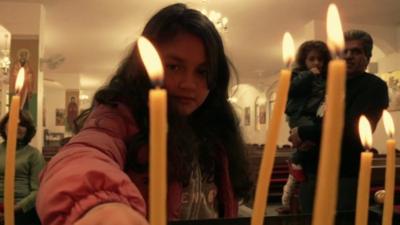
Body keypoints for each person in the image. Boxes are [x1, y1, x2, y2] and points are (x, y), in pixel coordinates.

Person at [36, 3, 252, 225]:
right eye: (174, 67)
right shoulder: (118, 117)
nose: (189, 84)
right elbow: (84, 154)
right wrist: (100, 207)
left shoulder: (216, 128)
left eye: (202, 72)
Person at [289, 30, 389, 213]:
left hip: (345, 175)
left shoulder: (373, 86)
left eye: (356, 52)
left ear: (367, 57)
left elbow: (352, 129)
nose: (349, 56)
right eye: (345, 51)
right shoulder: (329, 82)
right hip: (312, 170)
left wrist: (304, 132)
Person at [279, 40, 331, 213]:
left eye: (320, 60)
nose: (316, 63)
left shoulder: (325, 77)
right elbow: (291, 90)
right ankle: (296, 160)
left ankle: (298, 163)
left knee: (311, 142)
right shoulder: (297, 74)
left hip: (315, 116)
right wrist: (308, 74)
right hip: (299, 115)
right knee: (306, 140)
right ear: (304, 60)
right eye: (312, 59)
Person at [0, 111, 45, 225]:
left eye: (22, 125)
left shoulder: (34, 155)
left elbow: (38, 191)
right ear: (4, 126)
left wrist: (14, 209)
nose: (18, 127)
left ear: (27, 130)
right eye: (13, 123)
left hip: (22, 209)